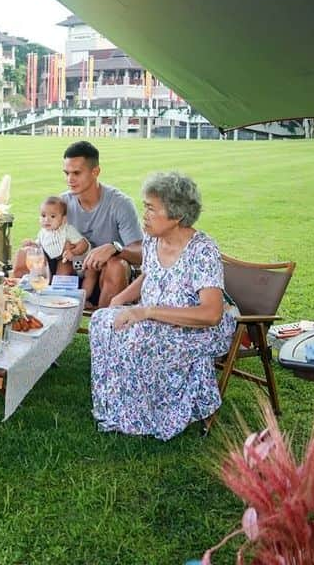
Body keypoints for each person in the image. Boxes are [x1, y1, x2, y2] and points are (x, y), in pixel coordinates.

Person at [88, 172, 236, 440]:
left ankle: (150, 416)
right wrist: (119, 300)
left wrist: (146, 311)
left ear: (177, 216)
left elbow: (211, 314)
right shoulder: (153, 239)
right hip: (156, 317)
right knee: (102, 322)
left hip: (196, 329)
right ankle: (118, 407)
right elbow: (150, 274)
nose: (144, 215)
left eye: (151, 209)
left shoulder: (202, 251)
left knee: (139, 336)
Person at [13, 141, 143, 307]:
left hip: (103, 277)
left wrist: (115, 249)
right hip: (67, 272)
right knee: (25, 254)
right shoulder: (62, 203)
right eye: (66, 173)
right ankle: (24, 315)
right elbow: (48, 238)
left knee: (116, 265)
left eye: (76, 173)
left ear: (95, 171)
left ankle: (102, 324)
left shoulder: (120, 204)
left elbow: (141, 253)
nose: (70, 179)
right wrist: (34, 246)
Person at [33, 196, 91, 286]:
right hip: (54, 261)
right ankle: (48, 287)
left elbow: (83, 244)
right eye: (43, 215)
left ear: (63, 219)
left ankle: (62, 290)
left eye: (52, 216)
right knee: (42, 268)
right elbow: (39, 245)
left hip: (76, 263)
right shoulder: (43, 233)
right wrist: (31, 245)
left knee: (64, 268)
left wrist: (73, 252)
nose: (46, 219)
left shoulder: (67, 230)